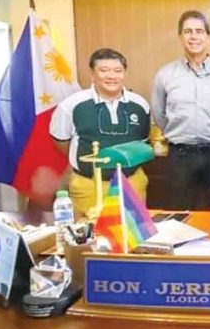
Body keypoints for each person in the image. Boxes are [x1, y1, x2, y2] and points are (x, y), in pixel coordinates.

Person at [151, 10, 210, 210]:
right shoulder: (166, 74)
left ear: (208, 37)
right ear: (180, 37)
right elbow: (159, 114)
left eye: (199, 31)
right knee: (178, 212)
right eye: (188, 31)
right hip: (179, 155)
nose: (194, 36)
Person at [50, 48, 150, 220]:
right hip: (89, 185)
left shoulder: (140, 104)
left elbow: (142, 139)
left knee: (134, 237)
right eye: (104, 70)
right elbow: (61, 140)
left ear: (124, 73)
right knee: (91, 238)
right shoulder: (72, 105)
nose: (111, 76)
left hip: (132, 182)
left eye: (117, 71)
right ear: (92, 74)